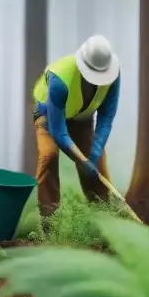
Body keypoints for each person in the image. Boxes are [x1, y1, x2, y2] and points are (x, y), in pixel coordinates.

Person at [32, 35, 121, 221]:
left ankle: (105, 219)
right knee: (48, 156)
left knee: (97, 163)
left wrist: (94, 154)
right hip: (49, 116)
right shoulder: (60, 78)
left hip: (82, 117)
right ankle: (50, 221)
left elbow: (106, 117)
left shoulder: (114, 76)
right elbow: (58, 132)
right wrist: (81, 160)